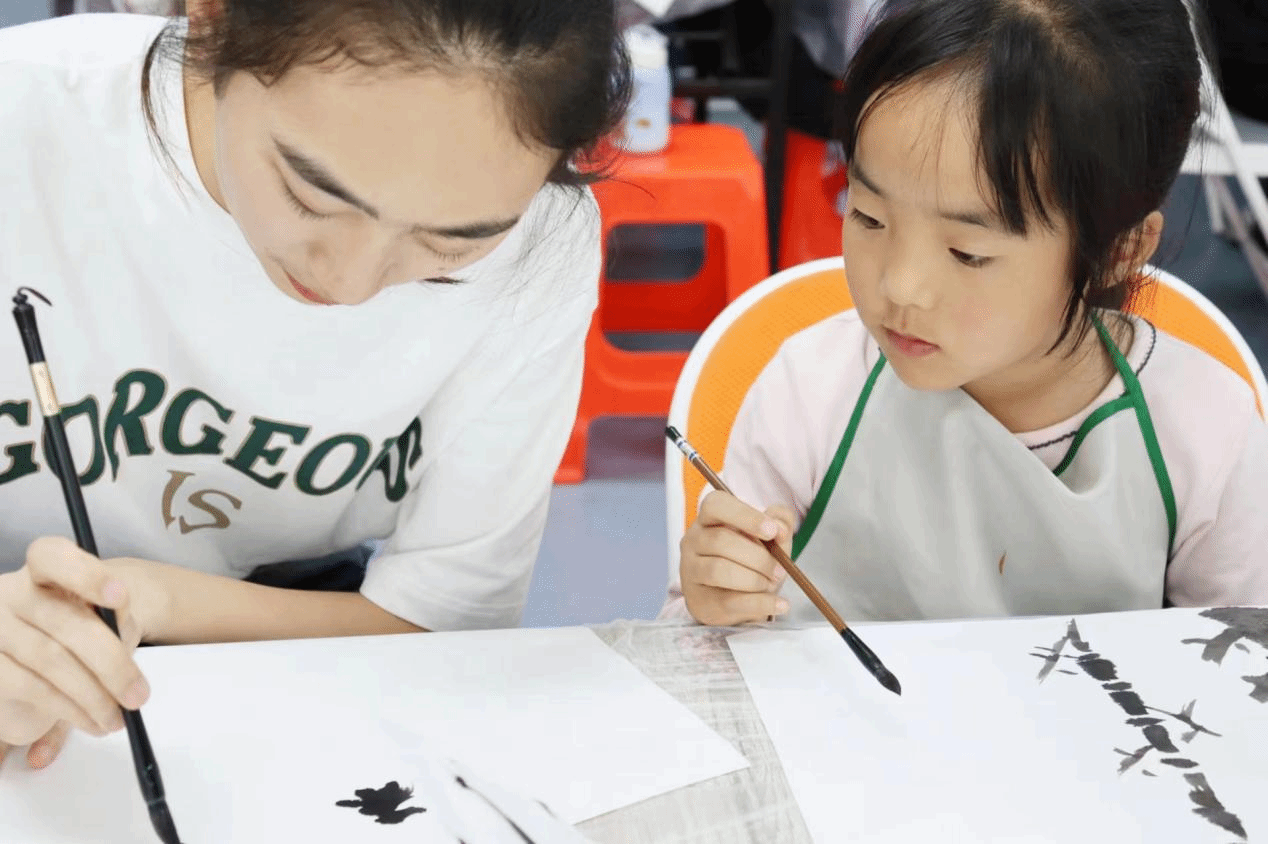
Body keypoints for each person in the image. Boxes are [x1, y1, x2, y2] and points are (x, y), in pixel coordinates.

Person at [0, 1, 628, 769]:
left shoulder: (541, 243)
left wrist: (147, 598)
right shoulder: (23, 121)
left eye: (452, 243)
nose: (352, 284)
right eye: (310, 195)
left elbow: (442, 625)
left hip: (285, 619)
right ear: (213, 19)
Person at [671, 0, 1268, 628]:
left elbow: (1244, 666)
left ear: (1118, 252)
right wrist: (714, 598)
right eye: (867, 215)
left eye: (968, 252)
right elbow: (701, 647)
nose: (900, 287)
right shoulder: (811, 394)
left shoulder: (1203, 433)